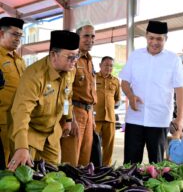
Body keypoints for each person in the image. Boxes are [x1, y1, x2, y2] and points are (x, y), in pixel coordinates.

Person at [8, 30, 79, 171]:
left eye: (77, 56)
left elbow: (67, 97)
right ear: (53, 54)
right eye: (70, 57)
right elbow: (21, 112)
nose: (74, 61)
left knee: (52, 177)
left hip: (52, 135)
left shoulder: (70, 70)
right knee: (26, 178)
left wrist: (68, 119)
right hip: (29, 134)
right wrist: (21, 146)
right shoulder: (34, 76)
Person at [119, 20, 183, 164]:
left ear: (166, 39)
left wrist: (180, 119)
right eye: (151, 38)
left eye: (159, 39)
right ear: (146, 36)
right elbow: (124, 82)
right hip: (135, 118)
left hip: (159, 119)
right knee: (130, 163)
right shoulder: (135, 56)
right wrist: (130, 96)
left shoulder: (173, 59)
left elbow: (180, 90)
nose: (154, 42)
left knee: (157, 164)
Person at [61, 24, 97, 166]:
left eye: (93, 36)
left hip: (88, 113)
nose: (90, 40)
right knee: (71, 159)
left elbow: (90, 92)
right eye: (86, 36)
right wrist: (70, 119)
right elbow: (65, 92)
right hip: (75, 112)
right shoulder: (72, 58)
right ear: (78, 38)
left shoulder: (89, 59)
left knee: (85, 158)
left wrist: (92, 116)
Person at [0, 17, 26, 168]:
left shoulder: (20, 60)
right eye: (14, 34)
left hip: (18, 121)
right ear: (1, 33)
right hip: (2, 120)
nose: (18, 39)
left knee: (16, 164)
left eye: (20, 36)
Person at [94, 56, 121, 166]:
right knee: (93, 144)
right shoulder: (93, 78)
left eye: (111, 65)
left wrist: (109, 106)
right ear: (100, 65)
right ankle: (93, 167)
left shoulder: (115, 81)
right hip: (95, 118)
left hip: (110, 118)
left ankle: (106, 168)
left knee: (108, 145)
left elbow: (117, 98)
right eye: (106, 65)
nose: (108, 67)